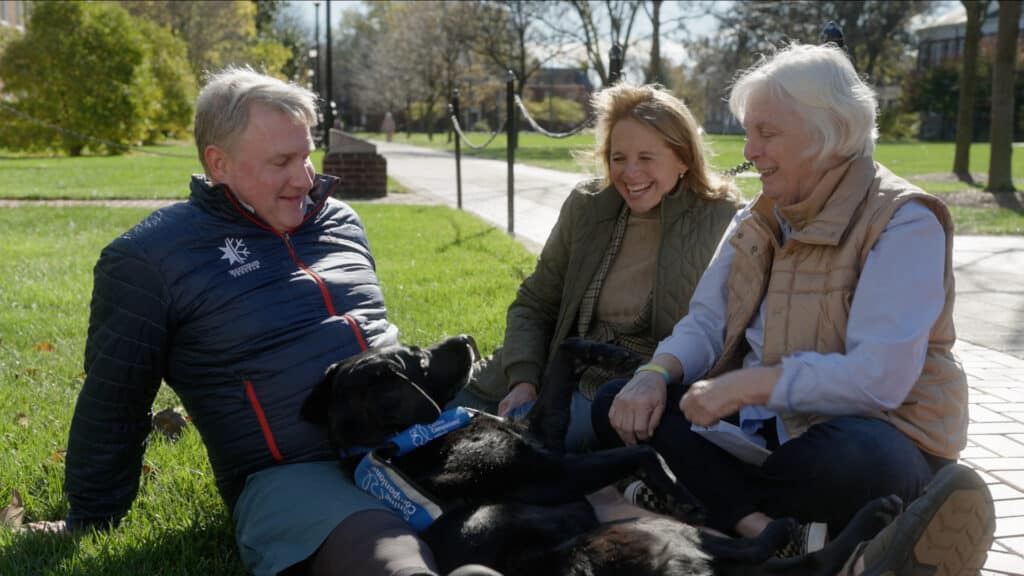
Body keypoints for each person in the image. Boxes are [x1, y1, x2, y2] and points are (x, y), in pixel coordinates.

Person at [591, 43, 995, 574]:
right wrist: (653, 372)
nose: (750, 149)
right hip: (763, 436)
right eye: (749, 132)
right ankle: (790, 538)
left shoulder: (903, 221)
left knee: (862, 460)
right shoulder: (756, 217)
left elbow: (879, 380)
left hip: (872, 435)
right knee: (618, 403)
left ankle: (693, 507)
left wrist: (751, 386)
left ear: (829, 134)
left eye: (767, 133)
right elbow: (707, 324)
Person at [44, 67, 452, 576]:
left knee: (537, 516)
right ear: (219, 164)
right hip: (292, 476)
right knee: (395, 558)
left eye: (305, 156)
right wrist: (91, 515)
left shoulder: (340, 220)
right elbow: (115, 397)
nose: (304, 178)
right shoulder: (151, 259)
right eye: (281, 161)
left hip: (412, 438)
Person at [454, 82, 742, 452]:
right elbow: (534, 303)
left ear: (683, 157)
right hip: (548, 371)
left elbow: (720, 335)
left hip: (619, 392)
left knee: (498, 453)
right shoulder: (588, 206)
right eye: (618, 158)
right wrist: (522, 379)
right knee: (432, 419)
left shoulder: (720, 219)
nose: (630, 173)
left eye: (646, 157)